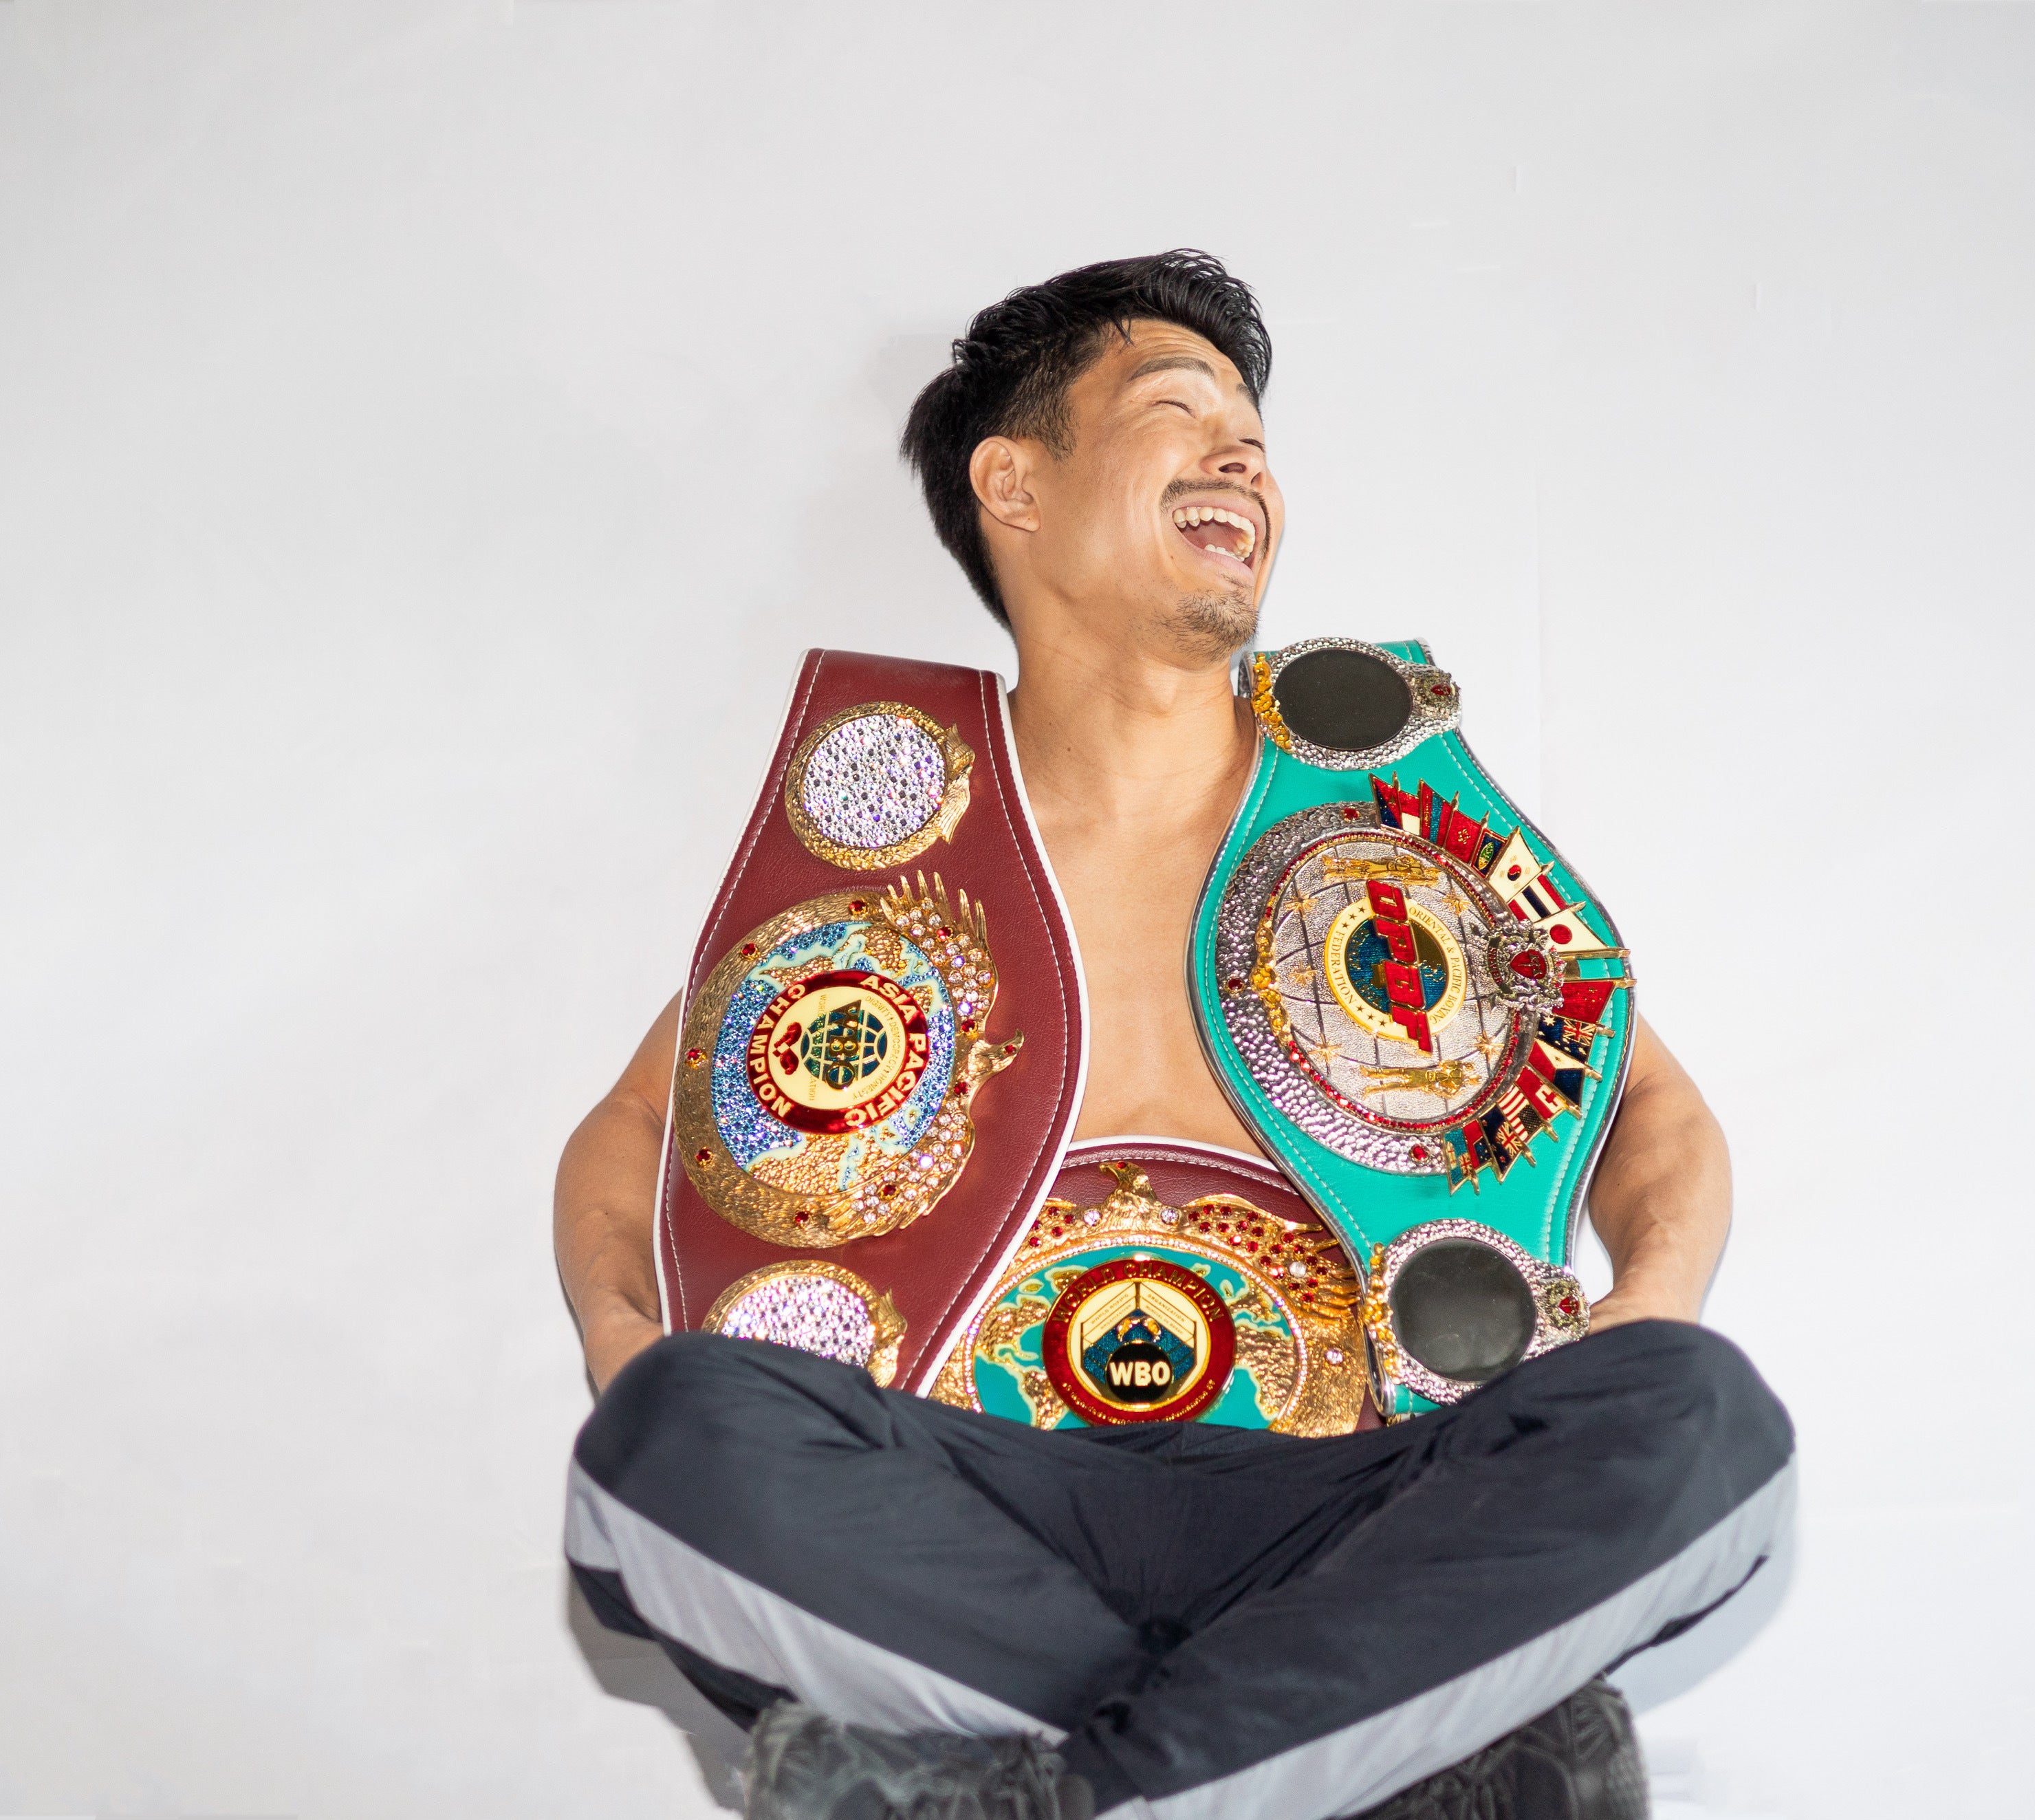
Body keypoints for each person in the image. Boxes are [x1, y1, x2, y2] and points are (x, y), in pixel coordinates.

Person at [556, 251, 1794, 1820]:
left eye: (1256, 441)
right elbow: (635, 1128)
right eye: (1181, 411)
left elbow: (1647, 1109)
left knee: (1695, 1417)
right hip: (968, 1513)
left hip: (1357, 1516)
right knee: (672, 1434)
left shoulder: (1396, 826)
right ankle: (1296, 1760)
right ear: (1014, 483)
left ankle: (1090, 1788)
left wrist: (1653, 1294)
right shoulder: (890, 841)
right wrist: (620, 1336)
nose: (1244, 462)